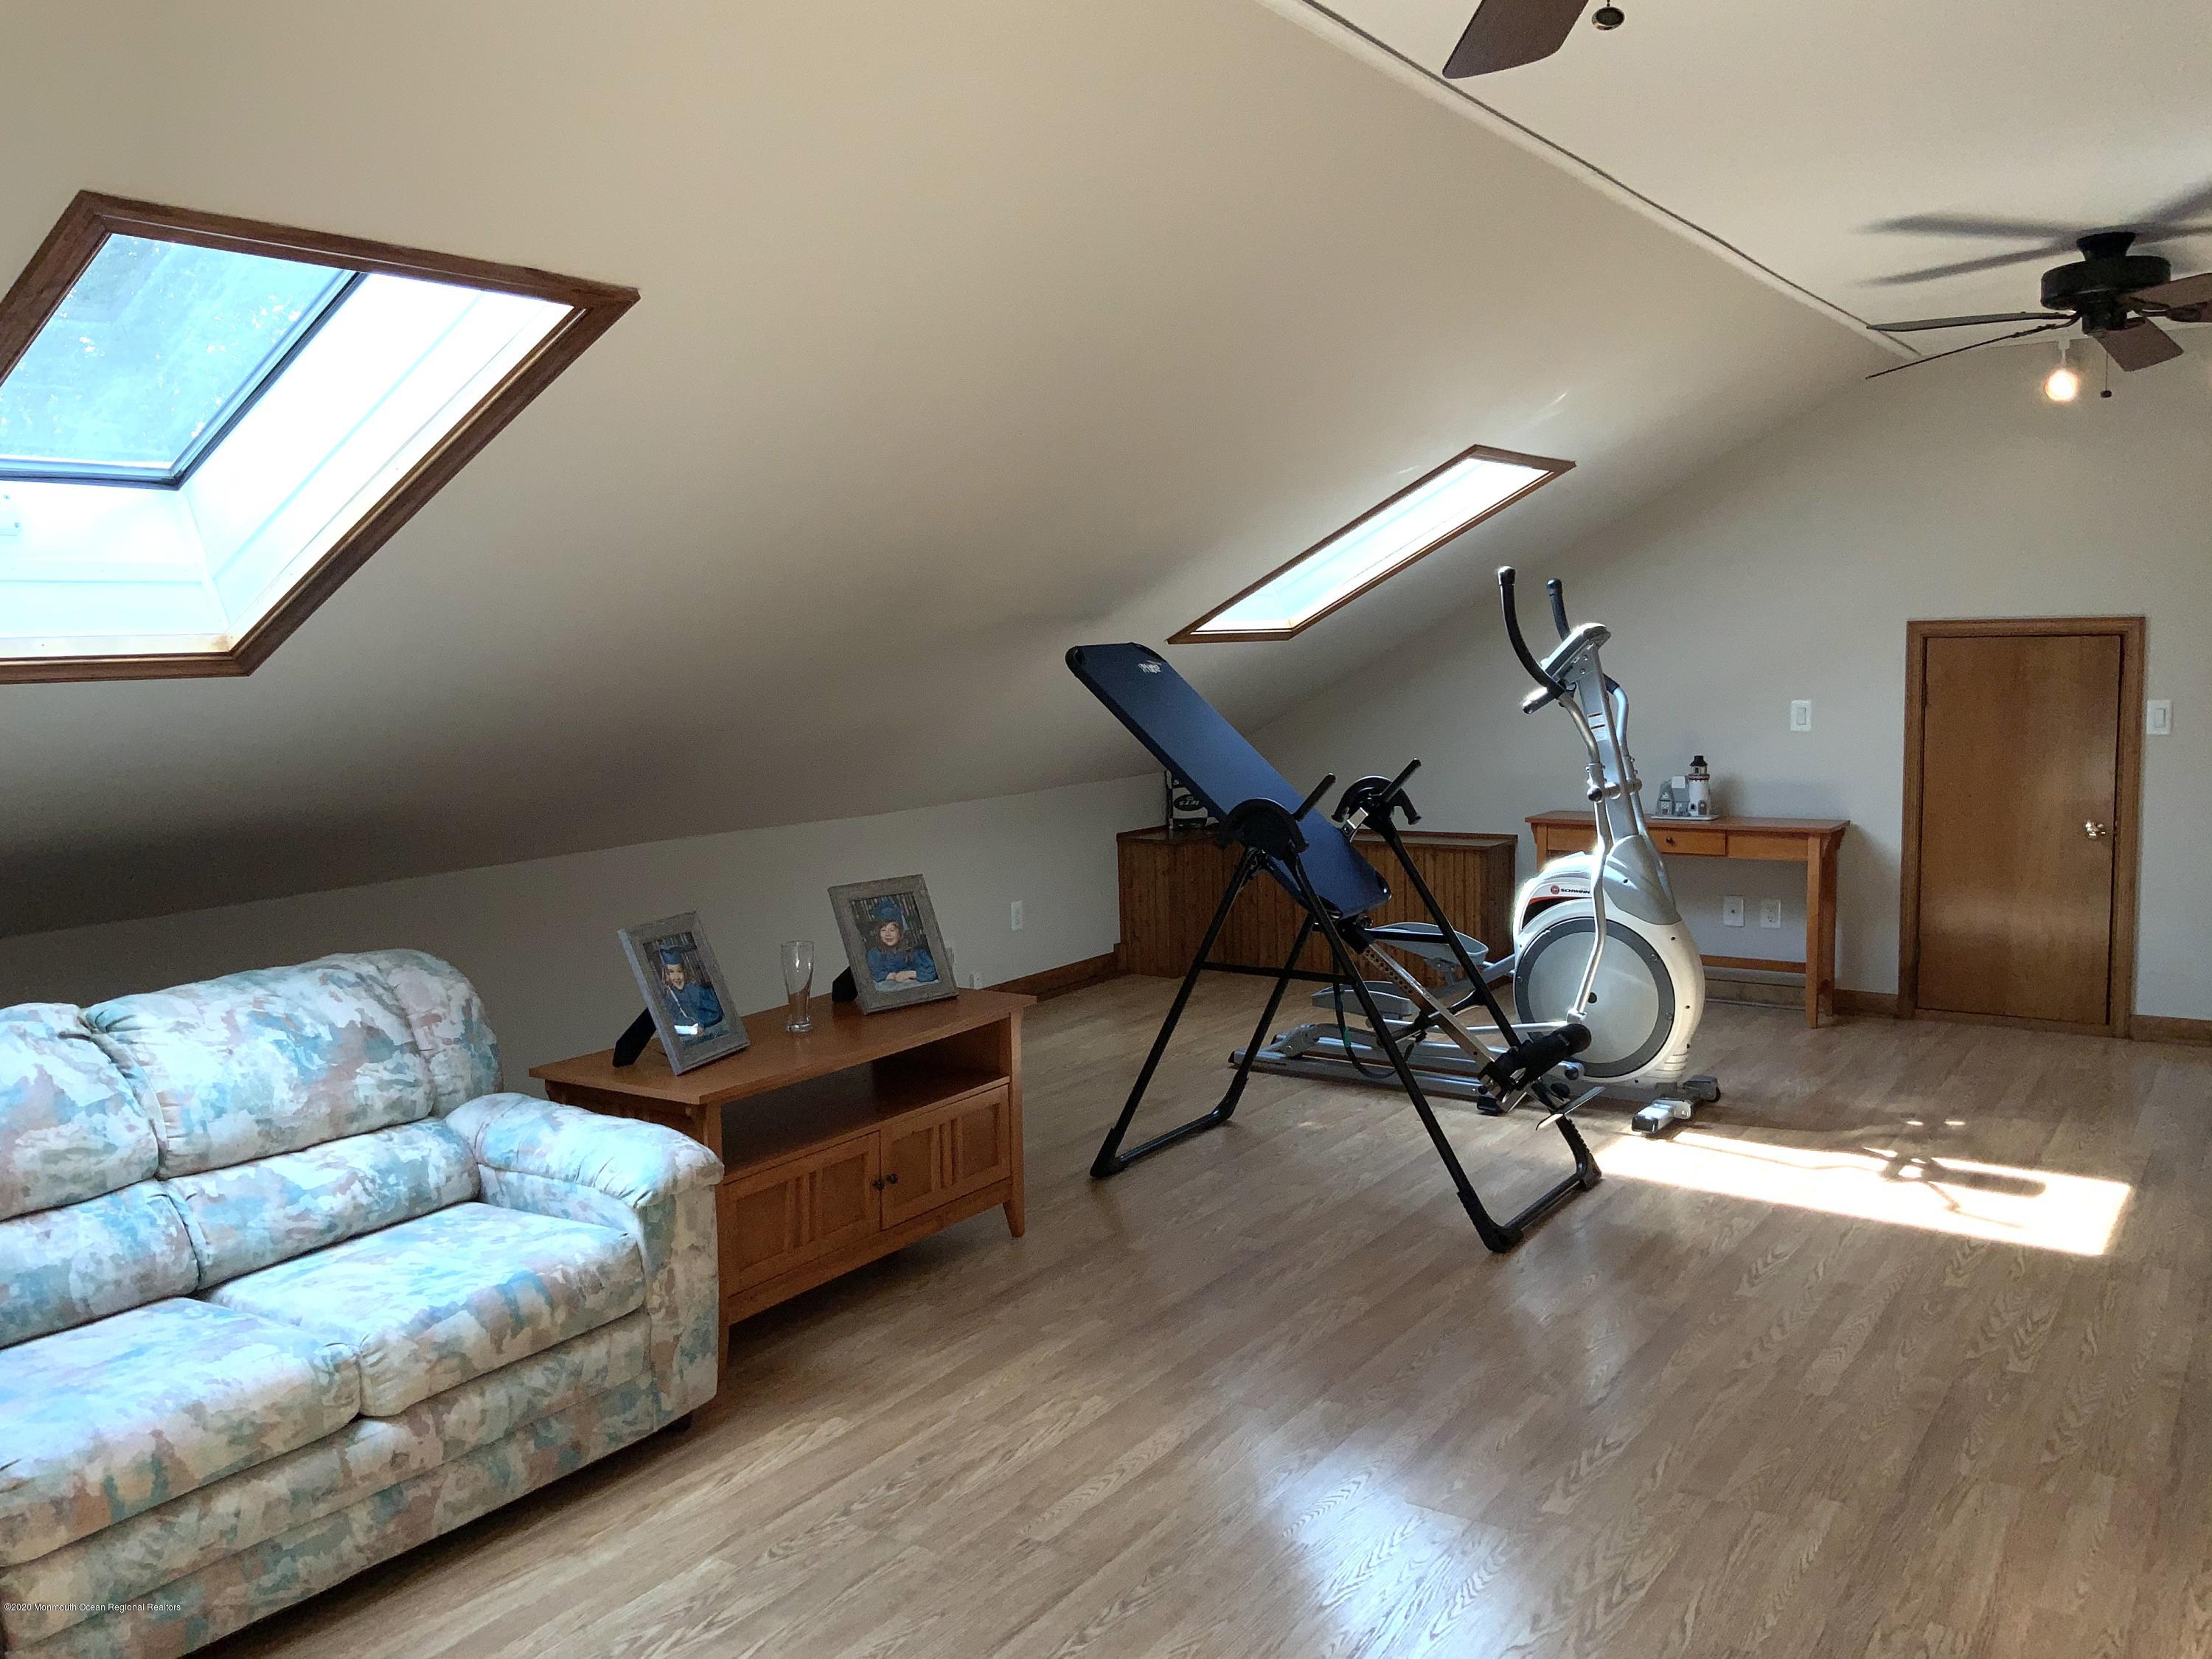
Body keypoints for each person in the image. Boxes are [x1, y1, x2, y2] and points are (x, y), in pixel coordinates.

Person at [863, 903, 938, 987]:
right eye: (883, 930)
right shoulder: (874, 954)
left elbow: (931, 971)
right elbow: (872, 974)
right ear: (878, 934)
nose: (888, 934)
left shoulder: (913, 952)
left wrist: (909, 974)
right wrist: (893, 976)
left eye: (892, 930)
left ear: (900, 933)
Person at [657, 947, 726, 1039]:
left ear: (685, 972)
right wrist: (692, 1029)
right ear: (667, 975)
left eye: (680, 971)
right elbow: (673, 1023)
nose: (677, 977)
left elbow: (714, 1009)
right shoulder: (670, 997)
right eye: (671, 972)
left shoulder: (694, 989)